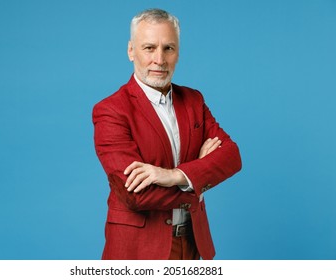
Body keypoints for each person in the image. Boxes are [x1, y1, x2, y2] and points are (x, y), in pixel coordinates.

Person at [92, 8, 242, 260]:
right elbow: (134, 195)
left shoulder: (193, 100)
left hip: (194, 242)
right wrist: (196, 180)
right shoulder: (111, 111)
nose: (159, 60)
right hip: (140, 249)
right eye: (149, 48)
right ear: (131, 51)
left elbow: (232, 156)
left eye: (168, 48)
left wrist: (173, 176)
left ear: (178, 52)